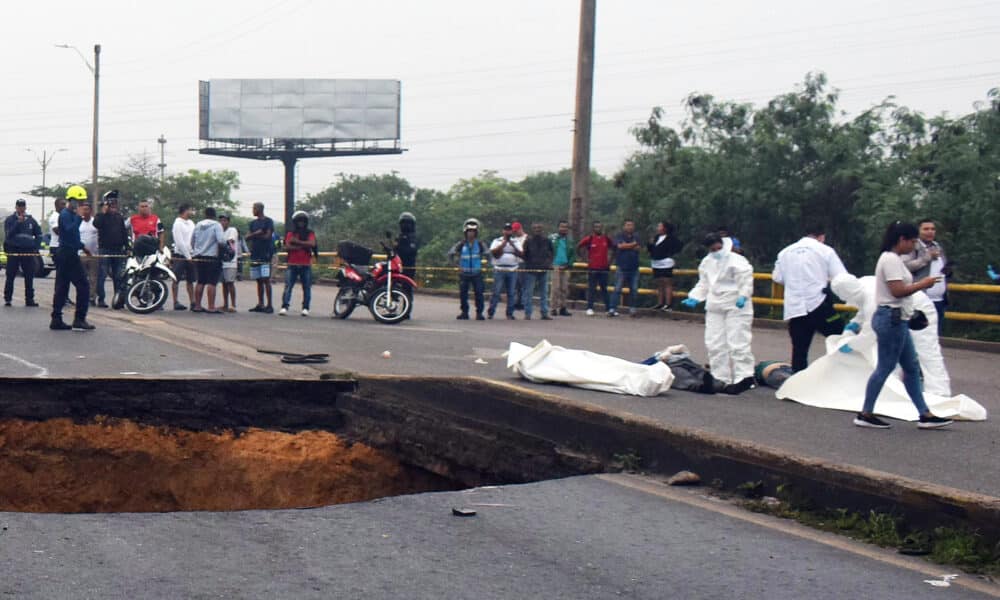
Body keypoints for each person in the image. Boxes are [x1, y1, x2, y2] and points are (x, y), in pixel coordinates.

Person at [852, 221, 952, 429]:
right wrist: (922, 285)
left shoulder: (895, 259)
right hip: (892, 318)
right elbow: (897, 291)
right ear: (902, 240)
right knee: (886, 366)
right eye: (913, 241)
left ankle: (924, 413)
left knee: (911, 367)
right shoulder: (890, 260)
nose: (914, 245)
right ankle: (865, 412)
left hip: (898, 318)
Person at [831, 273, 953, 398]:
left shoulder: (871, 297)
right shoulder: (864, 283)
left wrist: (851, 345)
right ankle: (899, 391)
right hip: (899, 312)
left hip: (918, 310)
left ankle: (940, 393)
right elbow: (865, 309)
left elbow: (871, 333)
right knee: (892, 353)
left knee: (926, 351)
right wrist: (855, 323)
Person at [681, 234, 755, 393]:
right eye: (712, 249)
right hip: (715, 304)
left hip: (736, 303)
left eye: (718, 248)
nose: (716, 251)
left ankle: (745, 377)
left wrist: (743, 295)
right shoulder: (707, 262)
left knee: (738, 341)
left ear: (722, 244)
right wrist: (694, 297)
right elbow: (704, 283)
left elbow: (746, 279)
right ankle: (720, 377)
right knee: (714, 343)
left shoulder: (736, 260)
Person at [772, 221, 848, 372]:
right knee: (841, 339)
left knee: (799, 350)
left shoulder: (785, 252)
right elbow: (842, 277)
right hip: (819, 304)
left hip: (795, 308)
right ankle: (843, 376)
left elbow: (777, 277)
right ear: (821, 237)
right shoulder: (825, 251)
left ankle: (798, 389)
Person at [49, 185, 94, 331]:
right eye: (79, 202)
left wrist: (82, 247)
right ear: (72, 201)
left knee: (62, 287)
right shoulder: (65, 215)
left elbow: (73, 238)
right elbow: (69, 231)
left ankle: (56, 319)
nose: (81, 205)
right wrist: (79, 217)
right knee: (83, 286)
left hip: (69, 252)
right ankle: (79, 319)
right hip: (67, 254)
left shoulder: (71, 215)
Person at [903, 218, 949, 334]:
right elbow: (906, 266)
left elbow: (941, 267)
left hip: (939, 299)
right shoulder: (913, 247)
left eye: (933, 229)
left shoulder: (938, 246)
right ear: (919, 231)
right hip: (921, 298)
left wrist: (948, 271)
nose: (930, 232)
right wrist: (926, 258)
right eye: (926, 229)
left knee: (936, 334)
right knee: (921, 334)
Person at [93, 191, 129, 308]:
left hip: (118, 250)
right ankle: (101, 299)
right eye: (111, 203)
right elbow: (96, 224)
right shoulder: (100, 216)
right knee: (102, 275)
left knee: (118, 276)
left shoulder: (119, 217)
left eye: (115, 202)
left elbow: (124, 233)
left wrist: (127, 247)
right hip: (104, 250)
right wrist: (103, 212)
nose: (113, 204)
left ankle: (118, 300)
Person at [3, 198, 42, 307]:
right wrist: (17, 223)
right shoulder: (10, 220)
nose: (21, 208)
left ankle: (29, 300)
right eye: (19, 206)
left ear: (25, 207)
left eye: (22, 206)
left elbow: (39, 234)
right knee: (10, 275)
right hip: (14, 250)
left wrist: (35, 246)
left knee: (29, 275)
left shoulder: (31, 220)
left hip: (28, 251)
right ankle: (8, 299)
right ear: (16, 207)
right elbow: (8, 234)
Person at [448, 218, 488, 320]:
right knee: (463, 294)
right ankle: (464, 312)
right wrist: (456, 266)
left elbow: (488, 254)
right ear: (465, 232)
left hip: (477, 273)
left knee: (479, 293)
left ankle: (479, 313)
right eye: (469, 231)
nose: (471, 233)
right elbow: (450, 254)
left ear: (476, 232)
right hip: (464, 273)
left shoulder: (480, 244)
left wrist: (484, 266)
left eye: (473, 231)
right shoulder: (461, 244)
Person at [190, 207, 226, 314]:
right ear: (214, 215)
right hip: (212, 257)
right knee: (211, 282)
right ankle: (211, 306)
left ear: (205, 215)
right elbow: (221, 241)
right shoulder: (216, 225)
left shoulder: (198, 225)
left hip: (199, 256)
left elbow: (192, 241)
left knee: (200, 281)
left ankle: (197, 305)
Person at [279, 211, 316, 316]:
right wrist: (303, 246)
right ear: (295, 222)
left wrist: (297, 242)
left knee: (307, 287)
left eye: (303, 221)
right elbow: (287, 247)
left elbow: (312, 244)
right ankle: (284, 306)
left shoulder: (310, 233)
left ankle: (305, 308)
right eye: (299, 221)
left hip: (305, 264)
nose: (301, 223)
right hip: (292, 263)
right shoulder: (290, 233)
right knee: (288, 286)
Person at [577, 221, 614, 316]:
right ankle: (589, 308)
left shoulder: (606, 239)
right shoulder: (590, 239)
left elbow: (614, 248)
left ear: (602, 228)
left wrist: (610, 261)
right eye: (596, 227)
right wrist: (584, 259)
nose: (598, 229)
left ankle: (608, 308)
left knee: (604, 289)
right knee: (592, 288)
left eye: (600, 227)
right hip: (593, 268)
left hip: (604, 268)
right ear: (593, 228)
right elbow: (579, 246)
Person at [487, 222, 523, 320]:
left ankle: (510, 313)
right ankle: (491, 312)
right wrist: (503, 244)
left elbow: (521, 253)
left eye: (509, 230)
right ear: (503, 231)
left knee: (511, 293)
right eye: (506, 230)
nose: (507, 231)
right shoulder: (497, 240)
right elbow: (493, 251)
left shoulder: (515, 241)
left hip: (512, 269)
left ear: (512, 231)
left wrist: (512, 245)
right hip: (499, 269)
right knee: (496, 292)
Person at [520, 222, 554, 321]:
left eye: (539, 228)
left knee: (544, 293)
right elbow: (524, 254)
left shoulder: (547, 241)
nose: (537, 230)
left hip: (544, 269)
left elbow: (551, 253)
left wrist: (548, 263)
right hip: (531, 269)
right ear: (532, 229)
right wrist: (528, 264)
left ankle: (544, 313)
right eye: (535, 228)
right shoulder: (528, 241)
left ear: (542, 229)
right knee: (528, 292)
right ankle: (527, 313)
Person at [608, 219, 641, 318]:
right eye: (628, 225)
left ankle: (632, 309)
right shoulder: (619, 236)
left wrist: (626, 246)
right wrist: (632, 245)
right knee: (617, 289)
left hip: (634, 267)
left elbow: (638, 248)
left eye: (631, 225)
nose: (630, 227)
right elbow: (620, 246)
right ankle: (612, 308)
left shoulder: (637, 236)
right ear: (624, 226)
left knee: (634, 289)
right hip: (622, 266)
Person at [246, 202, 275, 313]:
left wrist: (255, 234)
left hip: (265, 254)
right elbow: (247, 237)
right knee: (258, 279)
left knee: (265, 279)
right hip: (255, 253)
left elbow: (268, 236)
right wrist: (257, 233)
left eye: (254, 208)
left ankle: (269, 305)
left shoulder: (268, 221)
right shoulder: (252, 223)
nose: (253, 210)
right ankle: (260, 303)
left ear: (260, 209)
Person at [648, 220, 682, 311]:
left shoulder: (671, 238)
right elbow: (651, 249)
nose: (658, 228)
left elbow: (678, 246)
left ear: (665, 228)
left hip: (666, 262)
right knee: (659, 283)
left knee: (667, 282)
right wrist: (650, 244)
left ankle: (668, 304)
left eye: (659, 226)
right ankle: (660, 303)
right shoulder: (656, 237)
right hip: (656, 262)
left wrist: (671, 255)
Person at [170, 204, 196, 311]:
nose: (192, 212)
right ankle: (175, 301)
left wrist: (192, 254)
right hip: (180, 255)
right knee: (176, 279)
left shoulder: (191, 223)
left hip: (191, 254)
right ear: (185, 211)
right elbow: (179, 242)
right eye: (191, 209)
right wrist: (187, 256)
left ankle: (193, 302)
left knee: (190, 280)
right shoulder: (177, 224)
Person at [548, 220, 575, 317]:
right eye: (562, 227)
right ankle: (553, 308)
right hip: (555, 265)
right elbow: (547, 251)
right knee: (555, 288)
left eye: (565, 227)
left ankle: (563, 307)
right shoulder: (552, 238)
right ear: (558, 227)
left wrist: (568, 264)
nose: (563, 229)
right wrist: (549, 263)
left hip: (565, 266)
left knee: (564, 288)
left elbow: (572, 255)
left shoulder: (570, 241)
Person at [78, 202, 100, 305]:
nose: (85, 211)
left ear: (90, 211)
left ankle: (91, 298)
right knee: (81, 278)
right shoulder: (78, 222)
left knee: (93, 278)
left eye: (87, 209)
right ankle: (82, 297)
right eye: (83, 209)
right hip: (81, 254)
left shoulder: (95, 222)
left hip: (93, 255)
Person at [218, 214, 241, 313]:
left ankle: (233, 304)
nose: (222, 223)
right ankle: (225, 304)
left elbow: (230, 241)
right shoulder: (220, 231)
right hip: (222, 261)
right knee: (224, 283)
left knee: (230, 283)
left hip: (231, 261)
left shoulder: (232, 230)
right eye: (221, 221)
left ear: (228, 222)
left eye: (224, 221)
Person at [395, 211, 419, 280]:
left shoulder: (414, 238)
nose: (406, 225)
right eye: (404, 223)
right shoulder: (399, 237)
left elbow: (411, 251)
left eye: (408, 223)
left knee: (407, 286)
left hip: (409, 268)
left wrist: (400, 247)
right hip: (397, 266)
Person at [511, 221, 528, 311]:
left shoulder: (526, 238)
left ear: (520, 229)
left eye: (516, 231)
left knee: (524, 284)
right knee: (515, 284)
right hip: (514, 263)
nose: (515, 233)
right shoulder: (513, 239)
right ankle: (516, 302)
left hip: (523, 262)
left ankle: (523, 302)